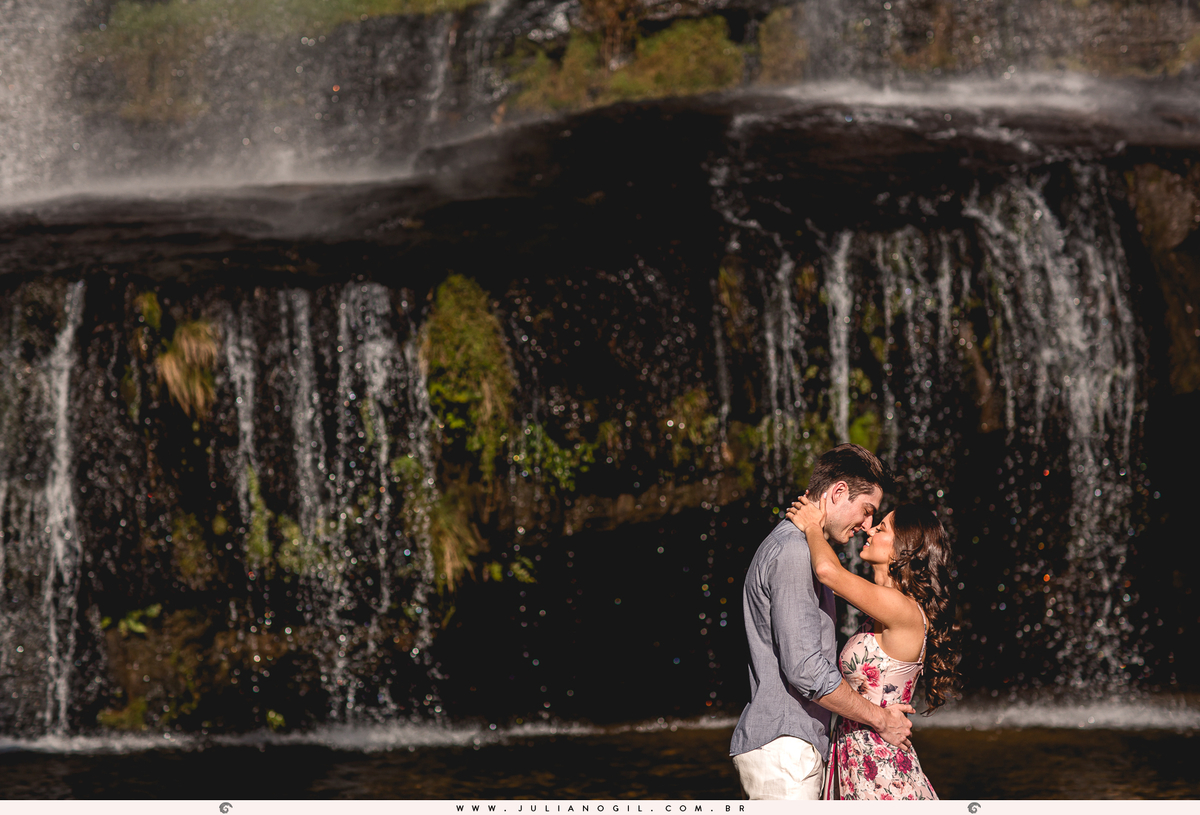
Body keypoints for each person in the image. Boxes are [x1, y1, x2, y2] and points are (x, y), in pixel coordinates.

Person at [729, 443, 915, 800]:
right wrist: (879, 719)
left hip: (791, 747)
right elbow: (806, 669)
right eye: (866, 511)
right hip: (786, 751)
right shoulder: (796, 552)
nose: (867, 525)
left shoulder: (802, 549)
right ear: (838, 492)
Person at [786, 493, 960, 800]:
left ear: (903, 549)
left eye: (881, 529)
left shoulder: (902, 608)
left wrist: (813, 525)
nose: (869, 531)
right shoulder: (882, 608)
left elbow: (827, 572)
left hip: (881, 768)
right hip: (859, 758)